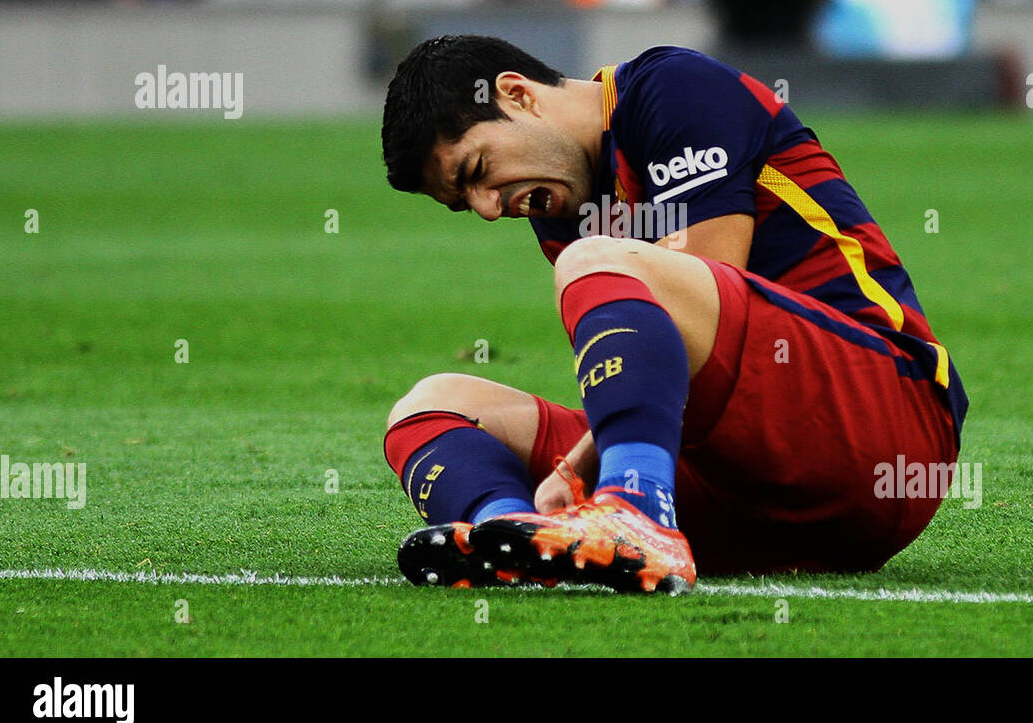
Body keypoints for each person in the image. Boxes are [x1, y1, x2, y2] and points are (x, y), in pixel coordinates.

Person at [379, 35, 968, 593]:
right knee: (429, 406)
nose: (486, 209)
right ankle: (516, 542)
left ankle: (634, 510)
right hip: (745, 491)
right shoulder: (559, 204)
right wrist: (569, 481)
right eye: (464, 204)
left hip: (885, 431)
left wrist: (581, 464)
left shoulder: (673, 87)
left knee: (598, 260)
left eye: (477, 172)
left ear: (518, 94)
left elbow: (705, 284)